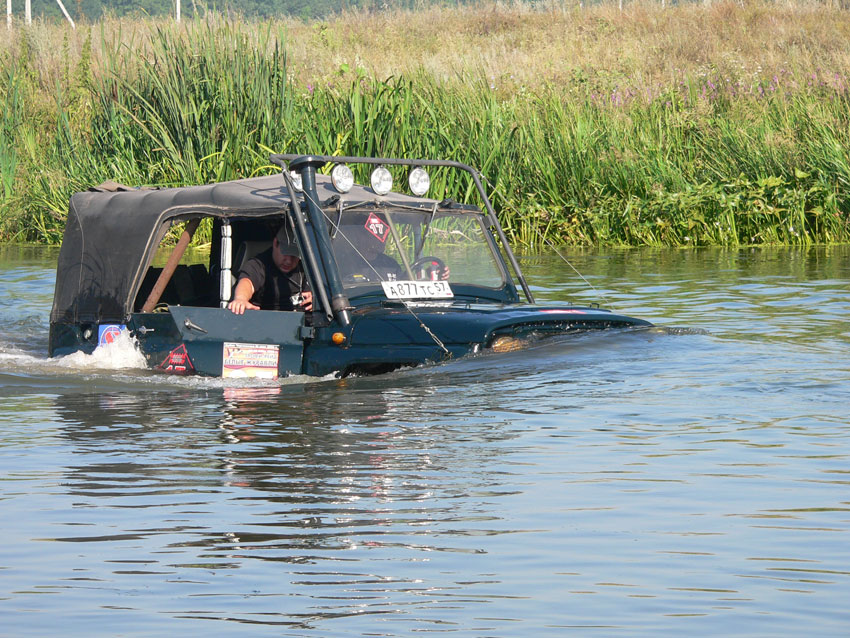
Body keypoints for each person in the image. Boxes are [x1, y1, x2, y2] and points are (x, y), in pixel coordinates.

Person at [228, 225, 313, 314]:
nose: (288, 261)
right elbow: (246, 282)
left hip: (304, 323)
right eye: (286, 253)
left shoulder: (309, 266)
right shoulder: (258, 265)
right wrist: (241, 299)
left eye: (294, 255)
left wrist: (317, 300)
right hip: (268, 321)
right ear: (275, 243)